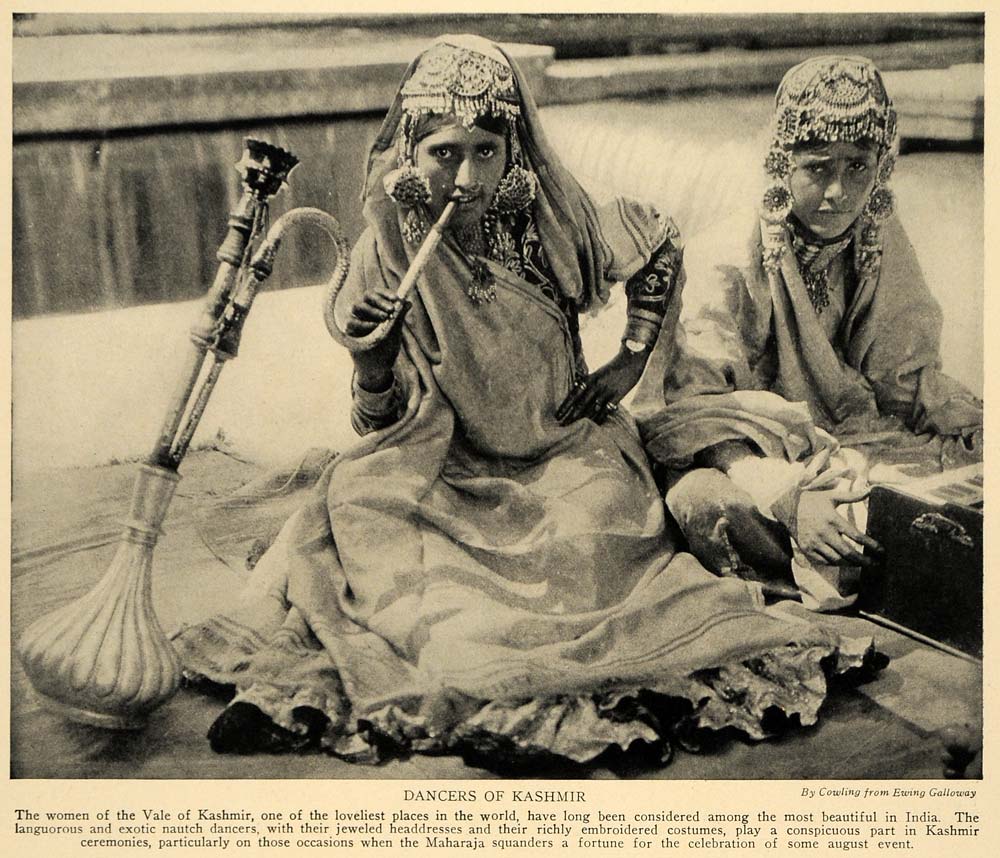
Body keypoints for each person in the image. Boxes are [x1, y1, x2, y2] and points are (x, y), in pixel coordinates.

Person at [173, 36, 875, 769]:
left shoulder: (554, 223)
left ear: (514, 151)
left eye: (486, 151)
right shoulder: (386, 244)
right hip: (440, 461)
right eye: (445, 153)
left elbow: (660, 244)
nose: (467, 177)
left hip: (572, 450)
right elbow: (374, 422)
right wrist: (371, 359)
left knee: (593, 546)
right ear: (409, 152)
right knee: (364, 521)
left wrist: (630, 359)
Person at [632, 55, 983, 610]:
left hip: (859, 439)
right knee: (702, 502)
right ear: (782, 163)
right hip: (752, 452)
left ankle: (876, 562)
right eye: (818, 167)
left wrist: (968, 424)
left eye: (858, 168)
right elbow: (695, 411)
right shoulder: (730, 254)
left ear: (881, 167)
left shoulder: (877, 234)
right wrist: (786, 495)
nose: (838, 193)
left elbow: (906, 378)